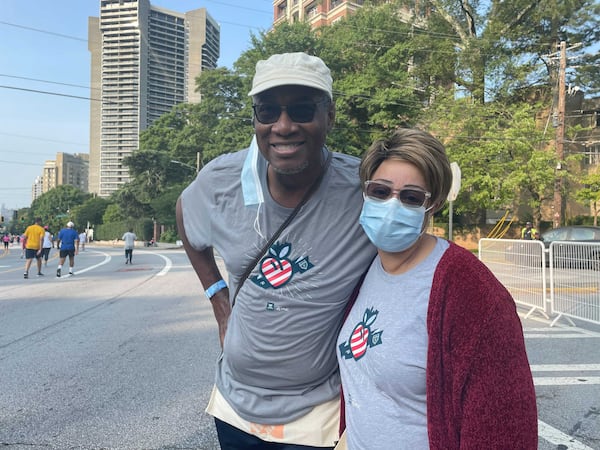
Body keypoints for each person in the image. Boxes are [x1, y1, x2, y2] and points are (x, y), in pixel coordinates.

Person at [176, 52, 376, 449]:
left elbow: (412, 232)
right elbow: (184, 213)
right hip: (233, 405)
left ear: (329, 116)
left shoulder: (364, 191)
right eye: (268, 111)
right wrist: (218, 298)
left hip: (317, 413)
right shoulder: (221, 180)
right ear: (255, 119)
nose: (283, 126)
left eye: (302, 109)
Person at [336, 128, 538, 449]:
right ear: (365, 192)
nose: (391, 205)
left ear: (435, 205)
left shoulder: (472, 291)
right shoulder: (365, 268)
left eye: (411, 197)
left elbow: (505, 431)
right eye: (380, 191)